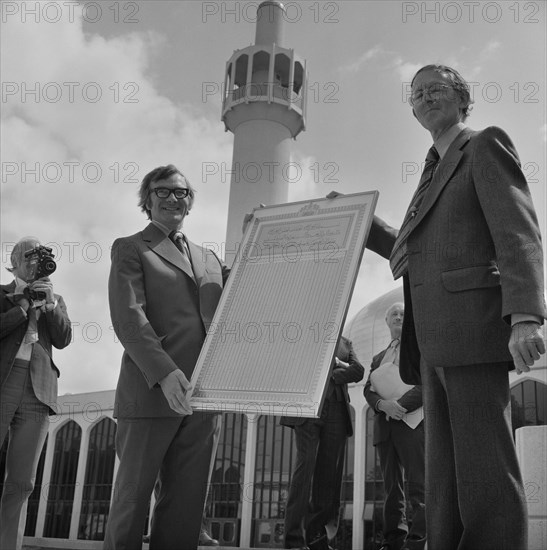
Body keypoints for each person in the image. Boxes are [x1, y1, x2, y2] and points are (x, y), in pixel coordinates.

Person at [366, 64, 546, 550]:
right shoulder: (430, 171)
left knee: (484, 465)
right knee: (444, 473)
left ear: (463, 99)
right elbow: (415, 250)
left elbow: (518, 233)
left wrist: (526, 315)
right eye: (417, 93)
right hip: (431, 342)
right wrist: (362, 224)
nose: (425, 98)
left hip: (472, 329)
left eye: (436, 89)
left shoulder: (483, 145)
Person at [103, 164, 229, 550]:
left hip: (203, 398)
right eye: (163, 191)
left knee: (186, 507)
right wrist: (165, 372)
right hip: (151, 390)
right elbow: (129, 319)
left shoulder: (210, 260)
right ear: (147, 199)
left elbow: (241, 301)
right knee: (131, 500)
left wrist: (267, 232)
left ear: (190, 203)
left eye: (182, 192)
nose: (174, 198)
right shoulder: (131, 247)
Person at [0, 236, 72, 550]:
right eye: (28, 256)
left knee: (22, 481)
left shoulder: (54, 297)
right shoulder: (3, 294)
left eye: (40, 256)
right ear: (12, 262)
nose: (34, 262)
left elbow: (63, 339)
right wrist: (24, 305)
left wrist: (51, 305)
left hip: (38, 391)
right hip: (4, 381)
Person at [281, 336, 364, 550]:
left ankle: (317, 540)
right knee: (304, 470)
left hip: (336, 410)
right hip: (308, 409)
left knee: (327, 477)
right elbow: (295, 364)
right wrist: (333, 368)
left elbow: (358, 371)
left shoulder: (346, 342)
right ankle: (293, 541)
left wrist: (334, 368)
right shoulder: (302, 333)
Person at [363, 303, 425, 550]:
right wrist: (382, 405)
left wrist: (398, 406)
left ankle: (418, 540)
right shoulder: (378, 358)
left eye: (402, 314)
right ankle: (394, 541)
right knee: (391, 489)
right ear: (387, 321)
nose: (398, 317)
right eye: (394, 315)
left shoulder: (418, 349)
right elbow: (369, 388)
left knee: (418, 483)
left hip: (412, 423)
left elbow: (426, 384)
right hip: (385, 426)